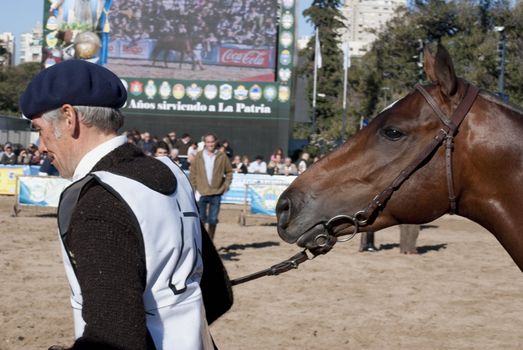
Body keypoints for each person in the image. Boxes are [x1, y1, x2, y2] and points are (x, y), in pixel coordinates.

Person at [19, 60, 232, 349]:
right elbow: (217, 293)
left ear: (69, 117)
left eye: (39, 129)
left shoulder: (99, 199)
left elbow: (115, 338)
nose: (40, 146)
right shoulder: (172, 172)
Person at [190, 133, 233, 240]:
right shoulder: (198, 156)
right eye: (208, 142)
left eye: (212, 142)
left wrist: (225, 186)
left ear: (216, 142)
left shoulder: (222, 156)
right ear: (205, 143)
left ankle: (210, 243)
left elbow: (229, 172)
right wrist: (195, 188)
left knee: (213, 219)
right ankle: (203, 242)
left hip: (216, 193)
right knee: (201, 219)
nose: (210, 144)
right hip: (201, 193)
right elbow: (192, 174)